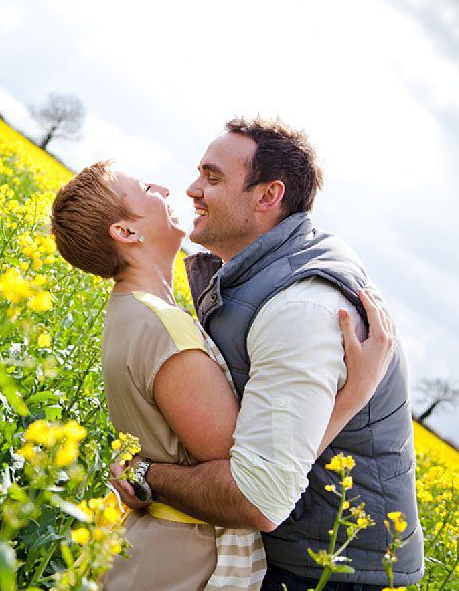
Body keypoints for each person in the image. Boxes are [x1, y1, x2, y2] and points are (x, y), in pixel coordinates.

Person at [108, 118, 424, 590]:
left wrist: (147, 474)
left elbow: (259, 497)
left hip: (330, 574)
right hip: (301, 554)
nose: (191, 189)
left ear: (267, 196)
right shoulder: (255, 275)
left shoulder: (302, 307)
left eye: (213, 178)